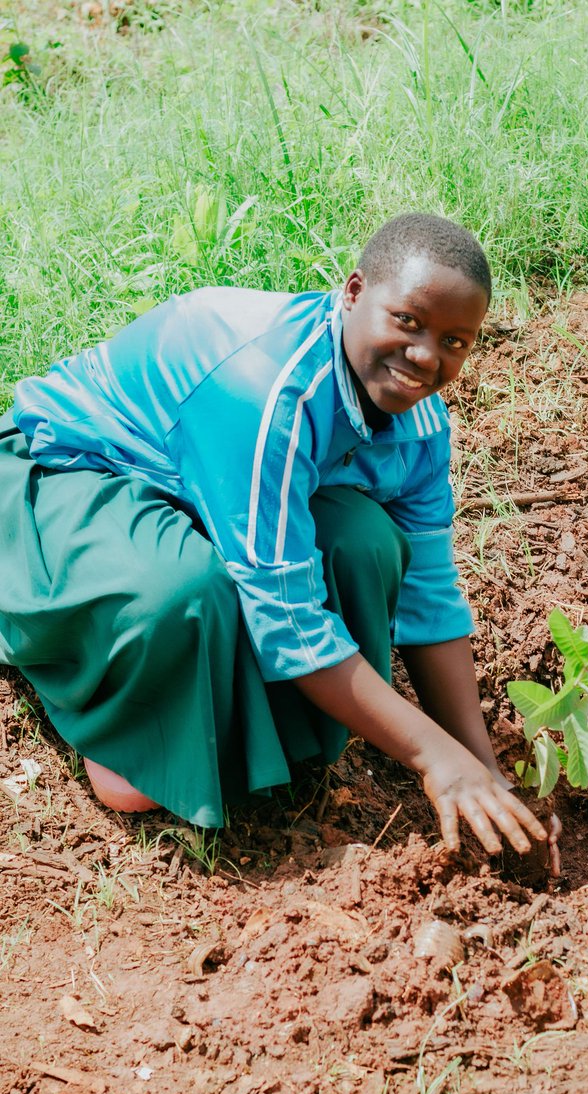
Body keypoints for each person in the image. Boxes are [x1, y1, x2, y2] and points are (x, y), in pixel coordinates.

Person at [0, 212, 548, 858]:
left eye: (456, 341)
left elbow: (430, 598)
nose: (427, 356)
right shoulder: (265, 390)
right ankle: (112, 713)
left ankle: (263, 724)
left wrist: (480, 770)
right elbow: (289, 623)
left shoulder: (420, 425)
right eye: (407, 320)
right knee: (182, 592)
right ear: (353, 293)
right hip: (68, 473)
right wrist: (432, 756)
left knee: (366, 539)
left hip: (194, 484)